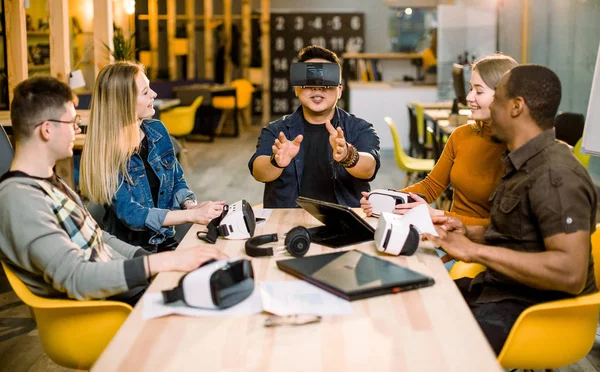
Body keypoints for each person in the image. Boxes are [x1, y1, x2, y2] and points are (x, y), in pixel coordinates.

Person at [0, 76, 227, 304]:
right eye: (71, 122)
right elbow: (76, 277)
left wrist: (161, 261)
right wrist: (161, 264)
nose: (77, 129)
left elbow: (100, 238)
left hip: (131, 285)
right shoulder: (20, 199)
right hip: (109, 306)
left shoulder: (49, 183)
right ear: (47, 130)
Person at [424, 65, 597, 355]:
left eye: (497, 100)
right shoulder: (521, 163)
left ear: (517, 107)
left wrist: (474, 250)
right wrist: (467, 231)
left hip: (533, 310)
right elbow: (518, 237)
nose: (489, 108)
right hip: (500, 290)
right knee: (417, 302)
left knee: (436, 347)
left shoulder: (555, 175)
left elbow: (570, 273)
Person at [360, 54, 518, 268]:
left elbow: (502, 228)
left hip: (480, 250)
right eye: (470, 88)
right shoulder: (462, 136)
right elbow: (431, 186)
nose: (469, 97)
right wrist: (387, 199)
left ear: (503, 96)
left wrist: (437, 215)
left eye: (478, 91)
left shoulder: (515, 150)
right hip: (444, 235)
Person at [80, 61, 225, 253]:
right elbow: (132, 214)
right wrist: (192, 216)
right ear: (124, 101)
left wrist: (190, 206)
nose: (154, 95)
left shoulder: (157, 131)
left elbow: (177, 180)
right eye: (145, 91)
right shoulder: (108, 154)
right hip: (130, 252)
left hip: (165, 240)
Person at [249, 45, 381, 208]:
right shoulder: (276, 130)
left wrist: (348, 155)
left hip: (345, 224)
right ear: (297, 89)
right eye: (308, 82)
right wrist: (276, 162)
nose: (318, 88)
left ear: (339, 90)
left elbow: (369, 169)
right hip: (289, 223)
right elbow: (258, 171)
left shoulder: (360, 129)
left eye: (327, 83)